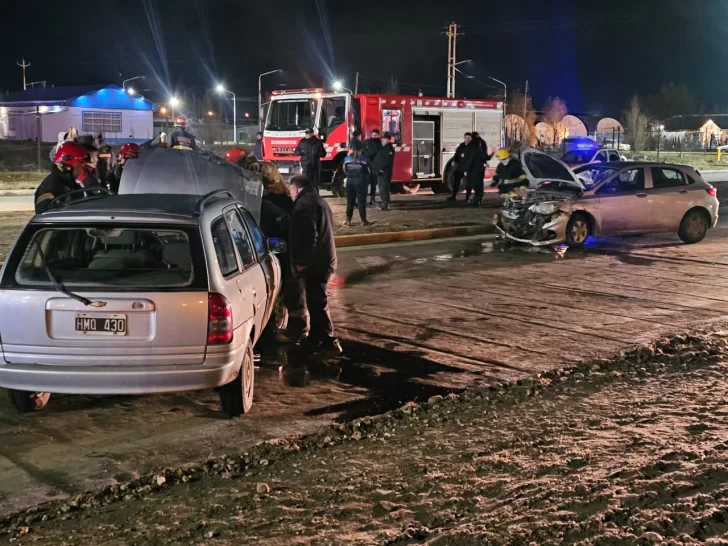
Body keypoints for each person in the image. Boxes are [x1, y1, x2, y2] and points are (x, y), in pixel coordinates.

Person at [287, 174, 342, 357]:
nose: (290, 194)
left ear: (295, 188)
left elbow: (307, 236)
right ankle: (315, 338)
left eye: (290, 190)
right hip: (325, 258)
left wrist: (302, 262)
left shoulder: (304, 204)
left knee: (317, 303)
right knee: (314, 301)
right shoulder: (318, 200)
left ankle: (329, 340)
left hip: (316, 263)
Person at [259, 162, 309, 343]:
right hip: (273, 252)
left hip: (283, 252)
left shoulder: (276, 202)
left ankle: (297, 329)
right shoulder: (280, 200)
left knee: (290, 291)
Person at [35, 141, 89, 213]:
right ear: (68, 167)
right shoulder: (51, 185)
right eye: (80, 166)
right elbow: (45, 215)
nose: (82, 171)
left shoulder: (71, 184)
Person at [342, 141, 371, 226]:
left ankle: (348, 220)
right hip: (360, 182)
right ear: (360, 150)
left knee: (350, 202)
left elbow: (344, 170)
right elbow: (368, 171)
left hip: (350, 182)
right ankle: (363, 220)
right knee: (361, 202)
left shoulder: (346, 159)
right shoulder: (364, 159)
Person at [372, 131, 395, 211]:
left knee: (383, 188)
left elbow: (386, 161)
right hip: (382, 172)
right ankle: (385, 203)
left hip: (384, 172)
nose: (382, 141)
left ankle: (385, 204)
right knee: (383, 188)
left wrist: (380, 170)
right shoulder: (385, 148)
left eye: (384, 139)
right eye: (382, 139)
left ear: (388, 140)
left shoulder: (388, 148)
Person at [446, 132, 473, 202]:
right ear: (464, 138)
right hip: (461, 167)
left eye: (468, 138)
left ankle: (467, 198)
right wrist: (454, 160)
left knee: (468, 183)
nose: (467, 139)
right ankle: (453, 196)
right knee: (456, 181)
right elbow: (457, 153)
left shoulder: (473, 147)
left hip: (469, 168)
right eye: (466, 138)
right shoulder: (462, 145)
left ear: (471, 139)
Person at [362, 129, 383, 205]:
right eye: (373, 135)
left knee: (374, 183)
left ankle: (372, 198)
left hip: (375, 165)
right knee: (366, 183)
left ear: (378, 135)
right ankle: (365, 199)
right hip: (368, 165)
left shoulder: (380, 143)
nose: (374, 136)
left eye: (375, 135)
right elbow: (363, 154)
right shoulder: (367, 142)